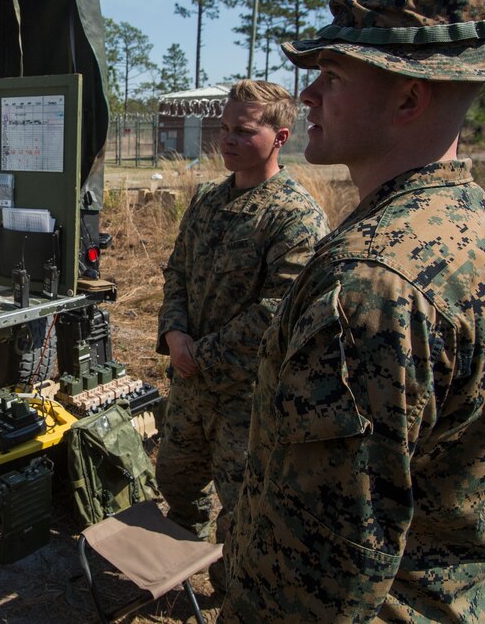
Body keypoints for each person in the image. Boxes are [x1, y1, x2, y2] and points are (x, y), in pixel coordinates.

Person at [220, 0, 485, 622]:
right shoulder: (476, 225)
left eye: (334, 76)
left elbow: (315, 582)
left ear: (409, 98)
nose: (309, 95)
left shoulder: (369, 288)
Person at [154, 80, 330, 587]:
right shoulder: (208, 202)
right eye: (225, 129)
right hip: (191, 380)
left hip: (246, 395)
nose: (227, 140)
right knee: (177, 479)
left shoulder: (294, 215)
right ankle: (176, 560)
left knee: (243, 502)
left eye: (243, 131)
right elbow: (177, 273)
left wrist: (199, 354)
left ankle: (234, 591)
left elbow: (279, 310)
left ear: (279, 136)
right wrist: (174, 333)